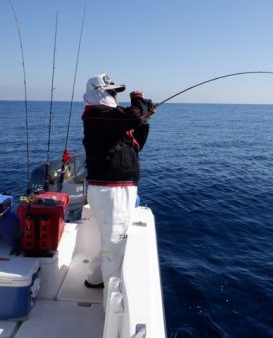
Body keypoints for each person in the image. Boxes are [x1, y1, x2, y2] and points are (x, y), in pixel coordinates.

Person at [81, 74, 154, 307]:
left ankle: (95, 278)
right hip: (112, 192)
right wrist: (138, 100)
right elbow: (133, 115)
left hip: (113, 190)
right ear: (98, 92)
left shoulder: (111, 120)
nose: (114, 96)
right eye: (111, 92)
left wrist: (144, 119)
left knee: (107, 239)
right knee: (115, 245)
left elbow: (136, 145)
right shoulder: (97, 114)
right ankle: (110, 311)